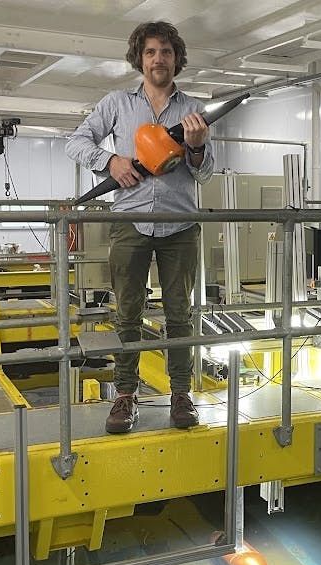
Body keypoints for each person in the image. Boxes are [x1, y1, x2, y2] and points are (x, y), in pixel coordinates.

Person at [66, 21, 213, 433]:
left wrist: (197, 149)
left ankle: (181, 394)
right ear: (140, 59)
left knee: (180, 313)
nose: (158, 59)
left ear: (176, 58)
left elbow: (205, 174)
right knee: (127, 312)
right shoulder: (116, 104)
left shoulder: (194, 109)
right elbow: (75, 142)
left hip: (180, 224)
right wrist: (110, 161)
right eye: (150, 52)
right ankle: (125, 396)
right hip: (130, 221)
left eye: (165, 51)